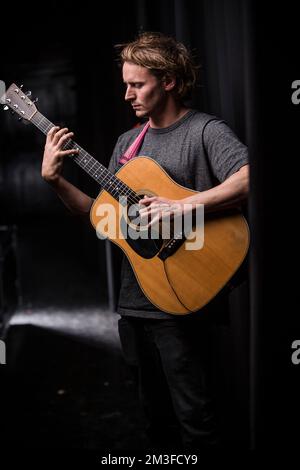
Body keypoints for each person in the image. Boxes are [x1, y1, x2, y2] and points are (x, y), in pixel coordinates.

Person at [41, 32, 249, 450]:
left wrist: (183, 207)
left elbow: (248, 177)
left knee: (198, 421)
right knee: (155, 423)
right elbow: (99, 216)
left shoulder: (205, 131)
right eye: (125, 85)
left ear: (168, 80)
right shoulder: (127, 144)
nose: (127, 95)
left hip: (184, 304)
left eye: (137, 85)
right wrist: (55, 180)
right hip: (135, 304)